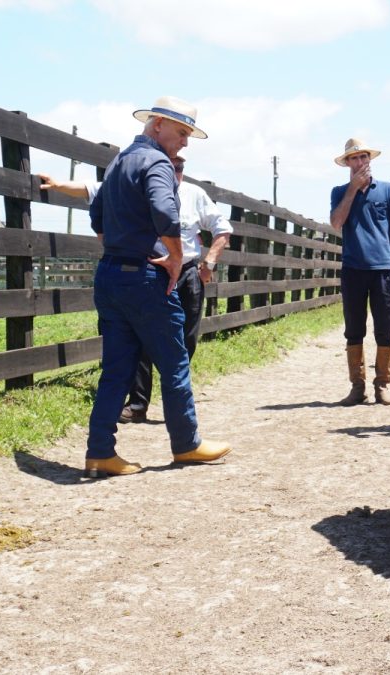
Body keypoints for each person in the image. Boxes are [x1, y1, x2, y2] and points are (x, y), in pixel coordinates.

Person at [82, 96, 230, 477]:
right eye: (181, 132)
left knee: (116, 368)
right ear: (158, 124)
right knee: (174, 360)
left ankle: (100, 451)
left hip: (110, 275)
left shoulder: (118, 160)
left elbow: (96, 213)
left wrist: (119, 246)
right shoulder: (157, 161)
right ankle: (187, 443)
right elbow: (166, 213)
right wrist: (176, 256)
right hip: (146, 278)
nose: (184, 142)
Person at [41, 155, 233, 423]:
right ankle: (138, 403)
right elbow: (91, 189)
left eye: (178, 168)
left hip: (186, 272)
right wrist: (59, 185)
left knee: (185, 339)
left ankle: (174, 399)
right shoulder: (136, 190)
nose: (174, 172)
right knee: (142, 337)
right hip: (151, 270)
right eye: (169, 167)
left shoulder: (194, 194)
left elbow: (222, 228)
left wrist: (209, 262)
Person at [329, 138, 390, 406]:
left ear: (370, 160)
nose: (359, 162)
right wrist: (352, 191)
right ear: (347, 164)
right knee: (354, 330)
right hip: (353, 269)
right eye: (353, 158)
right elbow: (336, 223)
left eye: (363, 157)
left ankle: (382, 385)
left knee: (385, 330)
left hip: (383, 269)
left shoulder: (388, 191)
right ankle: (357, 386)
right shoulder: (339, 191)